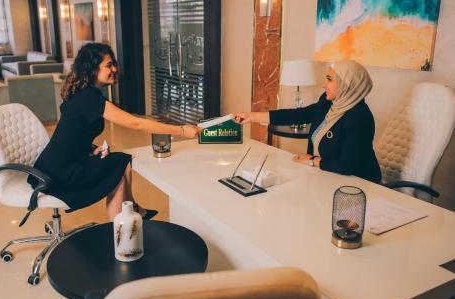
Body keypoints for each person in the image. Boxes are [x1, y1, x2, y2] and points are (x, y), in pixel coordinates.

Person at [28, 43, 200, 221]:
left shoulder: (82, 92)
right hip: (58, 173)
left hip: (53, 165)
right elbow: (136, 123)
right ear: (93, 69)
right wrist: (182, 130)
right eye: (109, 65)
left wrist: (91, 148)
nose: (115, 69)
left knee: (119, 163)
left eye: (113, 64)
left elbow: (72, 133)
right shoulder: (89, 97)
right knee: (119, 163)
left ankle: (129, 213)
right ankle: (120, 229)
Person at [234, 60, 381, 183]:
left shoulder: (360, 118)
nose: (324, 85)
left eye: (329, 79)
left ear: (347, 85)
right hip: (326, 177)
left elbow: (346, 166)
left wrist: (313, 160)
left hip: (358, 186)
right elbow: (299, 115)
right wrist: (251, 116)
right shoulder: (329, 102)